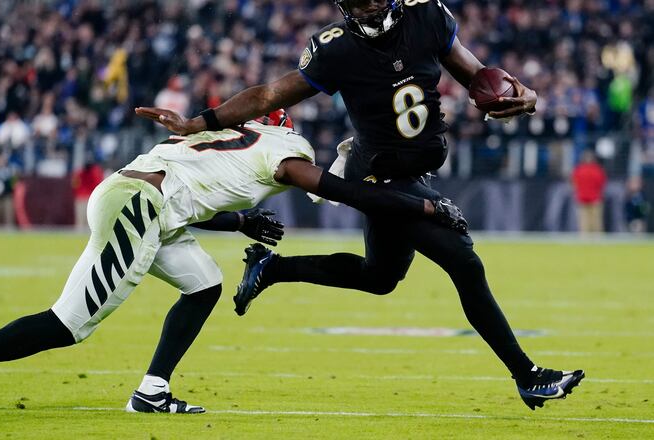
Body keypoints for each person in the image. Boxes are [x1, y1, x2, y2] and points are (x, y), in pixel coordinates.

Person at [137, 0, 584, 410]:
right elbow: (269, 96)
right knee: (463, 261)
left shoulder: (427, 15)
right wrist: (198, 122)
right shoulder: (335, 48)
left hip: (414, 170)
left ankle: (271, 269)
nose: (369, 3)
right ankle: (527, 375)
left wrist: (521, 99)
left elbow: (477, 76)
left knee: (381, 277)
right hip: (378, 175)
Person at [0, 110, 464, 414]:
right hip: (138, 206)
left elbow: (193, 199)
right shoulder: (284, 152)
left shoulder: (232, 137)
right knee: (67, 325)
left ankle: (153, 388)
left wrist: (242, 222)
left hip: (146, 203)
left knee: (204, 283)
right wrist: (422, 204)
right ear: (284, 129)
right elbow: (341, 193)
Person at [572, 150, 607, 235]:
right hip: (594, 198)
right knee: (595, 221)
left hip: (584, 198)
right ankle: (596, 239)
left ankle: (585, 239)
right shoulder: (597, 170)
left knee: (584, 221)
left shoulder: (579, 170)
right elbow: (602, 184)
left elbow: (574, 184)